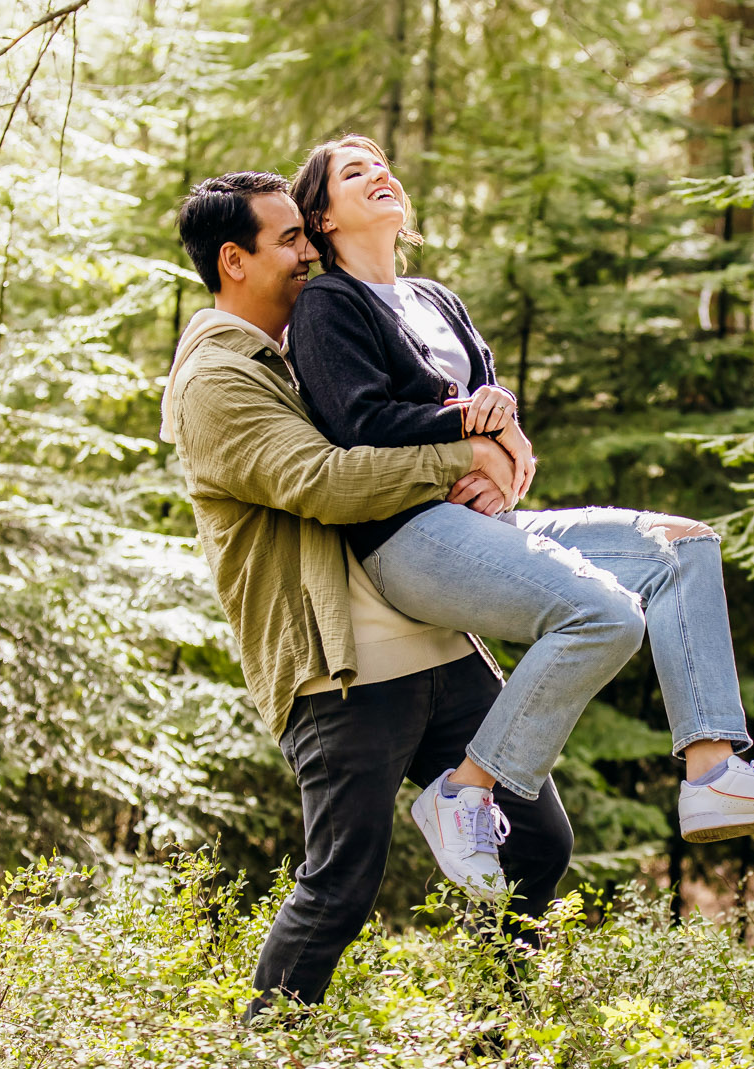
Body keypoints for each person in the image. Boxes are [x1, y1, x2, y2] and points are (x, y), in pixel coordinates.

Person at [285, 134, 754, 893]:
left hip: (488, 521)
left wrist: (507, 461)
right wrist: (466, 430)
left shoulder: (435, 299)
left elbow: (497, 417)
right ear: (320, 218)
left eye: (382, 165)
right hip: (405, 538)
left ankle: (713, 771)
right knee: (606, 614)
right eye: (354, 172)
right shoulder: (327, 304)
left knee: (682, 547)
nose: (380, 174)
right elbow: (357, 422)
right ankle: (467, 789)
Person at [159, 171, 573, 1015]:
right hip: (339, 665)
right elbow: (323, 481)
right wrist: (466, 453)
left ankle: (498, 1038)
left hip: (439, 641)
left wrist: (493, 448)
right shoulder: (216, 381)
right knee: (342, 883)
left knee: (537, 841)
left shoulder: (310, 344)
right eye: (287, 241)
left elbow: (395, 413)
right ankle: (264, 1043)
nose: (308, 250)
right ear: (232, 261)